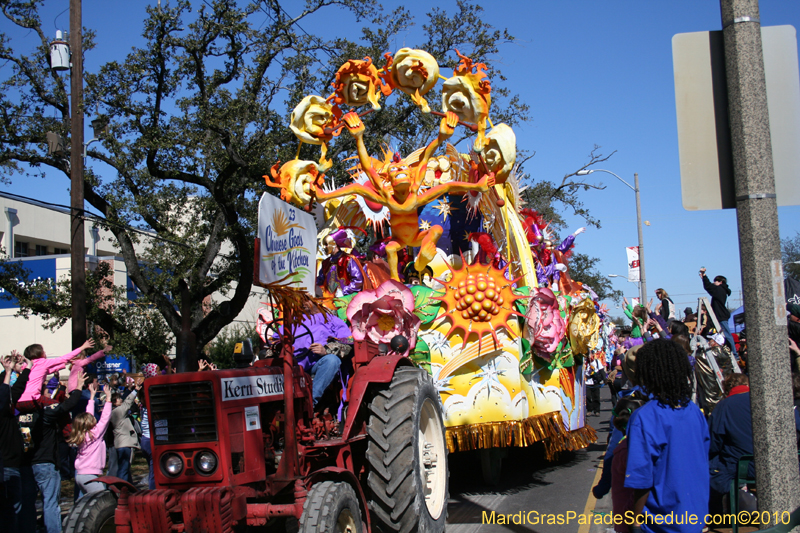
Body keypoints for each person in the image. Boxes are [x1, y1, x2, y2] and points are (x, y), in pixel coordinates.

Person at [625, 339, 709, 533]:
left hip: (661, 522)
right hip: (695, 515)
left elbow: (641, 478)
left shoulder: (644, 417)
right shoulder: (694, 411)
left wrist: (635, 521)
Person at [20, 370, 89, 533]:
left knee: (27, 503)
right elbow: (66, 405)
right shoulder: (44, 411)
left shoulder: (20, 411)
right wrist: (78, 388)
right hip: (45, 461)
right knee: (50, 503)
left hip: (26, 462)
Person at [270, 300, 354, 407]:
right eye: (301, 300)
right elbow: (274, 341)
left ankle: (309, 403)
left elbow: (348, 342)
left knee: (332, 361)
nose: (303, 303)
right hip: (292, 365)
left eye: (307, 299)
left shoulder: (331, 320)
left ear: (317, 302)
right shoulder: (293, 322)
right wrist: (276, 347)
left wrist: (326, 350)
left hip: (316, 365)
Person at [16, 339, 95, 409]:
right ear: (39, 353)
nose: (45, 352)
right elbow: (63, 358)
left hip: (19, 401)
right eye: (43, 351)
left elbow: (49, 370)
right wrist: (82, 347)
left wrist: (66, 363)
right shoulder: (43, 362)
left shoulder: (29, 365)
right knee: (58, 407)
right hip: (33, 400)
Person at [1, 353, 31, 533]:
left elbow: (8, 392)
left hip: (9, 464)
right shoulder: (5, 413)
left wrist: (8, 371)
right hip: (9, 465)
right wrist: (25, 368)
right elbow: (12, 391)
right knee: (12, 510)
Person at [611, 395, 649, 533]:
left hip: (628, 517)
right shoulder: (635, 447)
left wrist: (631, 515)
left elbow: (640, 487)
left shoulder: (625, 450)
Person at [69, 383, 112, 496]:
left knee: (88, 502)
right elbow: (105, 418)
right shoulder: (95, 434)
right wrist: (108, 399)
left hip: (80, 474)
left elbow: (88, 414)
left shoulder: (82, 434)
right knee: (103, 498)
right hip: (90, 475)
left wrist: (92, 397)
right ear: (89, 423)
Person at [110, 379, 142, 484]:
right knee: (123, 469)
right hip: (124, 443)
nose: (121, 400)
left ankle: (129, 486)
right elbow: (128, 402)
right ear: (114, 402)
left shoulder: (112, 413)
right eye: (119, 399)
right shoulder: (118, 411)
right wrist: (135, 390)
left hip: (120, 443)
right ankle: (121, 487)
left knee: (125, 467)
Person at [700, 268, 737, 359]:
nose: (714, 283)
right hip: (720, 315)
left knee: (727, 334)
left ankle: (734, 354)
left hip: (721, 316)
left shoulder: (720, 290)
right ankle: (728, 352)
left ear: (720, 282)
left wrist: (704, 276)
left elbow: (709, 287)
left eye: (715, 281)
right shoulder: (722, 290)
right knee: (720, 335)